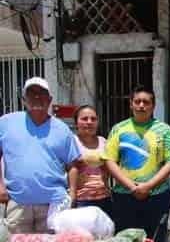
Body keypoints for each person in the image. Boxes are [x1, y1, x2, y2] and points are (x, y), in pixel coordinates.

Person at [103, 85, 170, 242]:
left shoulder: (164, 130)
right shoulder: (119, 129)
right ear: (131, 104)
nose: (142, 105)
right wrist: (131, 186)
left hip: (157, 196)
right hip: (124, 196)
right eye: (138, 101)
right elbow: (110, 161)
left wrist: (148, 186)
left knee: (156, 241)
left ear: (153, 105)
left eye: (146, 102)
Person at [0, 77, 81, 233]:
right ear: (24, 99)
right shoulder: (6, 123)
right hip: (18, 203)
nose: (37, 97)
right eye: (32, 94)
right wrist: (0, 186)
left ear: (50, 99)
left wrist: (72, 194)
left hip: (53, 204)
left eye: (42, 93)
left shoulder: (62, 129)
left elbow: (72, 165)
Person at [68, 105, 112, 217]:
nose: (89, 122)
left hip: (104, 199)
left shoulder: (103, 142)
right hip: (81, 200)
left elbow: (110, 169)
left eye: (93, 119)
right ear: (76, 122)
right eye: (84, 119)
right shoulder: (71, 142)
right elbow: (68, 168)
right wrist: (72, 196)